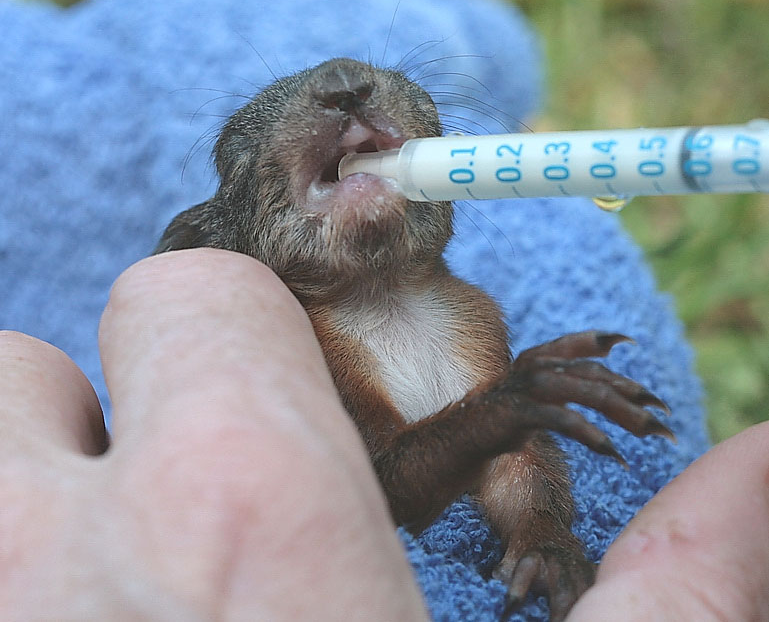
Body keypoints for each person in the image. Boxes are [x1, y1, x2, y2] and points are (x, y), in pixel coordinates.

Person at [1, 248, 766, 620]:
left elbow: (514, 461)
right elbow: (387, 482)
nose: (344, 93)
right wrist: (503, 409)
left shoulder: (471, 314)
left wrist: (543, 529)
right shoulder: (305, 331)